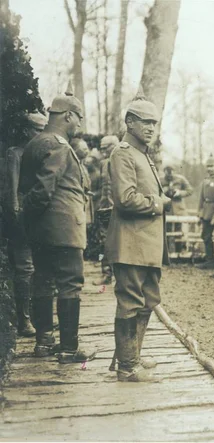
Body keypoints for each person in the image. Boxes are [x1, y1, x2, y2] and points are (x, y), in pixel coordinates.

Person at [19, 81, 95, 362]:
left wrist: (31, 221)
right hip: (64, 230)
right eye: (78, 118)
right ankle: (68, 348)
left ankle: (43, 343)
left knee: (42, 282)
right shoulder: (60, 145)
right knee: (70, 284)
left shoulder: (35, 143)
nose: (79, 125)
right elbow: (43, 190)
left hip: (40, 230)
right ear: (68, 116)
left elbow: (29, 190)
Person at [105, 86, 171, 382]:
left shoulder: (143, 155)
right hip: (131, 243)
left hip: (146, 244)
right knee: (130, 300)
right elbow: (126, 198)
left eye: (154, 124)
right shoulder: (123, 154)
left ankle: (132, 354)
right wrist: (157, 203)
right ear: (129, 122)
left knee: (148, 299)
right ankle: (126, 367)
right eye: (145, 122)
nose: (151, 129)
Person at [2, 111, 47, 337]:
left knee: (41, 269)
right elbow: (12, 191)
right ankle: (24, 321)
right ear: (26, 130)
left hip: (40, 219)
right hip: (21, 220)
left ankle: (40, 320)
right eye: (37, 130)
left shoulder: (40, 154)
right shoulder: (16, 154)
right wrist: (17, 216)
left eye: (43, 130)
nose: (41, 134)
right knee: (25, 269)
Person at [92, 135, 119, 285]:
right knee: (104, 242)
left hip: (118, 208)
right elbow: (101, 187)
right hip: (104, 208)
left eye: (105, 148)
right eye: (101, 148)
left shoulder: (122, 161)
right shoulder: (103, 163)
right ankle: (106, 273)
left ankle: (121, 276)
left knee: (119, 242)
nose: (102, 152)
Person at [197, 157, 214, 269]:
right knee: (206, 236)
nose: (209, 169)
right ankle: (209, 261)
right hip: (206, 212)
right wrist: (200, 212)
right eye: (208, 166)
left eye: (212, 166)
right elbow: (201, 198)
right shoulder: (205, 180)